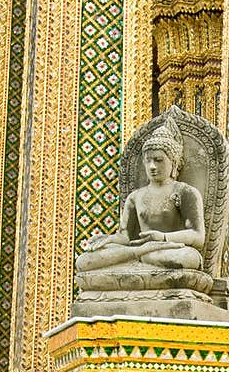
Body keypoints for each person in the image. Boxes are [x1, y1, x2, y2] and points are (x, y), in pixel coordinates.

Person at [77, 118, 208, 278]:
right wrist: (108, 239)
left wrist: (163, 237)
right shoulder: (135, 196)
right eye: (148, 161)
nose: (152, 166)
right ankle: (140, 255)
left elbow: (198, 236)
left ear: (173, 162)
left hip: (168, 250)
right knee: (84, 261)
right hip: (141, 250)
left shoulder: (185, 192)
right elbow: (125, 237)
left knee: (187, 258)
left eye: (159, 160)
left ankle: (138, 259)